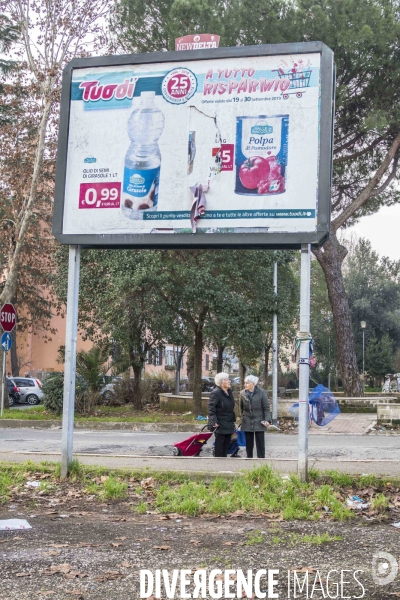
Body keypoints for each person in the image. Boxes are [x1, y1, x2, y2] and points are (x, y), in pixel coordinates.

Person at [240, 375, 271, 459]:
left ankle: (261, 459)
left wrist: (267, 419)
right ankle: (249, 458)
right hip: (247, 421)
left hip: (259, 420)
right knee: (249, 442)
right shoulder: (242, 393)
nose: (245, 385)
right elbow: (241, 407)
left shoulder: (262, 392)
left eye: (247, 383)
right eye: (245, 383)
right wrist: (242, 418)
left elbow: (266, 407)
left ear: (253, 383)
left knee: (260, 442)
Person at [208, 372, 236, 457]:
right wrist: (214, 421)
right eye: (227, 380)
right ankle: (218, 464)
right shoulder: (216, 393)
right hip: (219, 423)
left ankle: (224, 463)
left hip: (228, 422)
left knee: (226, 445)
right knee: (220, 445)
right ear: (221, 383)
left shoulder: (229, 392)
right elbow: (211, 409)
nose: (229, 381)